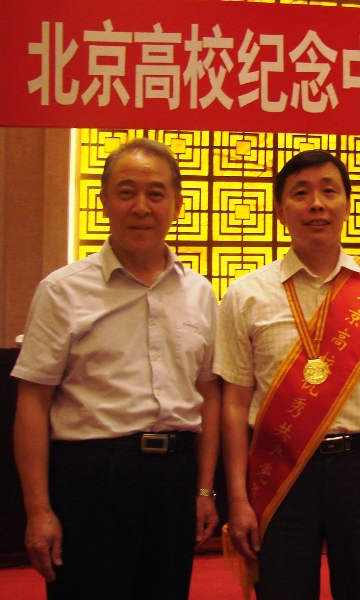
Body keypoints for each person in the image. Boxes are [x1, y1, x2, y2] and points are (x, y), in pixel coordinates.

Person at [12, 138, 220, 600]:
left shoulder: (201, 293)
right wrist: (38, 509)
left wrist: (204, 490)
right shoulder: (62, 290)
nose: (141, 207)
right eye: (126, 192)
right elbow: (33, 401)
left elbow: (209, 394)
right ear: (104, 201)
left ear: (177, 205)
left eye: (155, 193)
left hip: (173, 477)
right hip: (90, 479)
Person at [216, 150, 360, 600]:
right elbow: (234, 401)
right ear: (279, 210)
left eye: (329, 191)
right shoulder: (246, 295)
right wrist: (237, 497)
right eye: (300, 193)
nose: (316, 204)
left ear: (347, 204)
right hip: (281, 468)